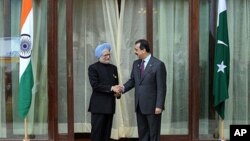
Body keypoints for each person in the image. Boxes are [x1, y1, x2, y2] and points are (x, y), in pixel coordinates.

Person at [118, 39, 167, 141]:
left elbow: (161, 87)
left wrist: (159, 105)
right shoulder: (136, 64)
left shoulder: (158, 64)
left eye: (136, 50)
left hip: (153, 107)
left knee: (153, 134)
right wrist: (122, 88)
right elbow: (133, 81)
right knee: (143, 133)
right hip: (139, 105)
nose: (135, 52)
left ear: (143, 50)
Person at [88, 42, 121, 141]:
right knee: (97, 134)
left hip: (110, 106)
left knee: (107, 134)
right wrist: (111, 88)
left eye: (109, 54)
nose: (108, 57)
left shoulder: (113, 68)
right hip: (98, 107)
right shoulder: (93, 68)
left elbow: (116, 85)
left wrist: (118, 93)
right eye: (105, 55)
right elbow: (95, 85)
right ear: (99, 56)